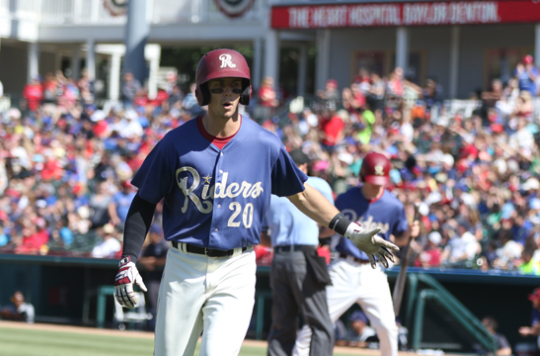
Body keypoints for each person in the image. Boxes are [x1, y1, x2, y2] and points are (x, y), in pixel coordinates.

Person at [113, 49, 399, 356]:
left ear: (245, 90)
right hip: (185, 265)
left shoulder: (265, 144)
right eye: (218, 85)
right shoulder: (175, 143)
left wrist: (352, 231)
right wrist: (128, 258)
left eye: (235, 85)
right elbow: (144, 202)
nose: (227, 93)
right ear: (202, 91)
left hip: (237, 267)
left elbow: (301, 193)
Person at [295, 152, 419, 356]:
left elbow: (400, 238)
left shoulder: (393, 205)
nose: (376, 185)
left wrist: (409, 233)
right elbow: (330, 228)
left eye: (381, 181)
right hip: (344, 267)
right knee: (315, 322)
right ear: (362, 176)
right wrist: (315, 231)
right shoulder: (346, 198)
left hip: (374, 271)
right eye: (372, 180)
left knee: (388, 328)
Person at [262, 149, 335, 356]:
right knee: (320, 323)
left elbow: (261, 236)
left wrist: (279, 240)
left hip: (279, 258)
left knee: (282, 322)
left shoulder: (271, 188)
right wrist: (316, 235)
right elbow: (331, 225)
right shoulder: (317, 184)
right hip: (305, 255)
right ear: (304, 167)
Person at [138, 223, 168, 327]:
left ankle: (164, 325)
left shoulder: (164, 244)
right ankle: (157, 326)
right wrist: (148, 263)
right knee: (155, 305)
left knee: (164, 305)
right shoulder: (150, 246)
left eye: (153, 233)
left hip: (165, 280)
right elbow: (141, 259)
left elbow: (165, 260)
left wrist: (153, 261)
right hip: (153, 279)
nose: (151, 236)